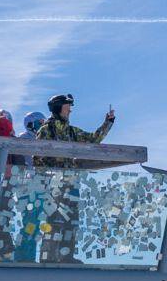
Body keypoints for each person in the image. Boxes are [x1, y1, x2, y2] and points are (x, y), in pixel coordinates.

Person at [35, 92, 115, 264]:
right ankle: (48, 258)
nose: (70, 110)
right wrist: (46, 181)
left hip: (71, 185)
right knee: (53, 221)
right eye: (67, 107)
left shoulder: (71, 131)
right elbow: (37, 158)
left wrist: (108, 123)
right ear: (58, 108)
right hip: (53, 186)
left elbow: (93, 139)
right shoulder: (46, 131)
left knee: (71, 221)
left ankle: (66, 257)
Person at [14, 109, 46, 261]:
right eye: (40, 123)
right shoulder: (24, 139)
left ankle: (27, 254)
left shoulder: (41, 140)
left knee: (35, 222)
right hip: (26, 185)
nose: (42, 126)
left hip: (37, 185)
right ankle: (23, 255)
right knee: (31, 221)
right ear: (31, 124)